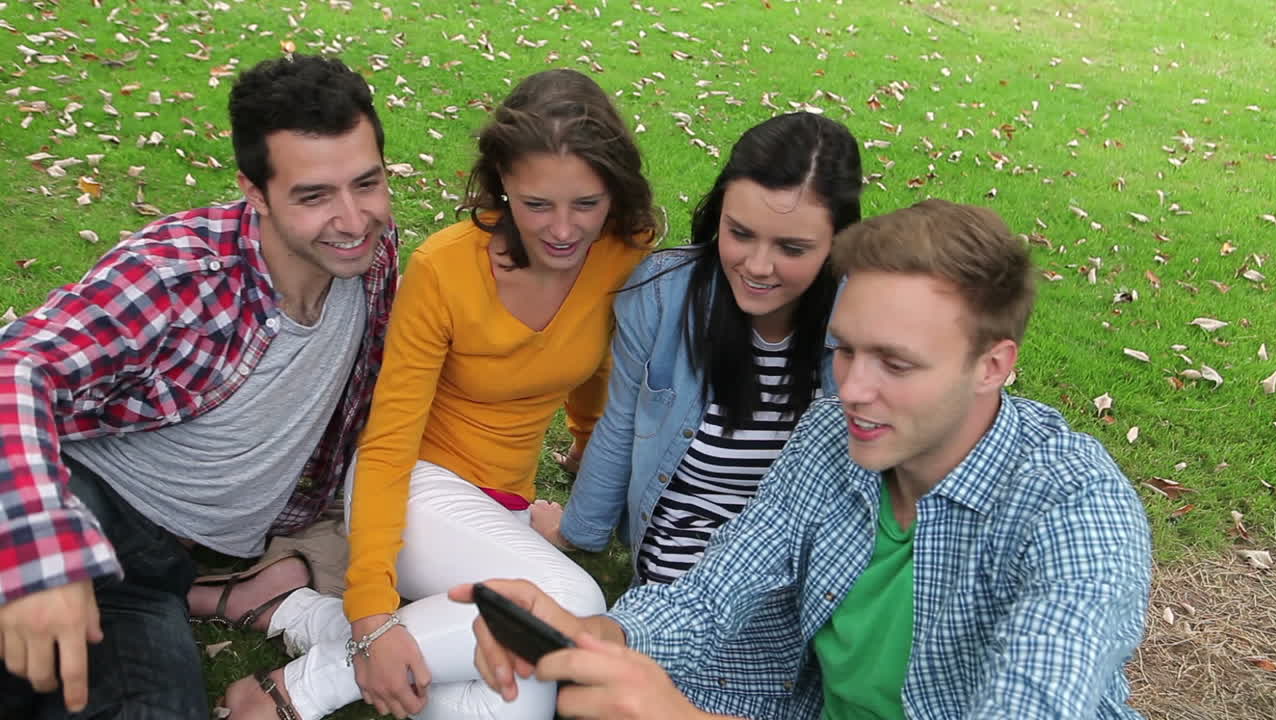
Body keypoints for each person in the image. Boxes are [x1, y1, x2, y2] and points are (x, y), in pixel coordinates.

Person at [455, 199, 1154, 719]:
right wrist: (594, 631)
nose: (852, 388)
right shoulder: (831, 437)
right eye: (846, 348)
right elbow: (713, 593)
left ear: (992, 365)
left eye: (897, 363)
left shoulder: (1075, 509)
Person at [223, 68, 659, 720]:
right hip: (413, 490)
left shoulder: (625, 254)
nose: (564, 230)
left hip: (500, 511)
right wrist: (372, 605)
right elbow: (389, 438)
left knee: (511, 698)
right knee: (570, 603)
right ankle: (299, 689)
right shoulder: (446, 267)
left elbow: (600, 360)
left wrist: (586, 447)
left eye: (587, 204)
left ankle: (308, 618)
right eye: (537, 204)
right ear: (503, 181)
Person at [0, 54, 398, 719]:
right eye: (314, 196)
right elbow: (16, 368)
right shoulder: (180, 272)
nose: (354, 219)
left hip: (153, 576)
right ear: (255, 191)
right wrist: (46, 555)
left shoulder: (371, 265)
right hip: (72, 500)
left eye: (368, 182)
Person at [532, 111, 863, 592]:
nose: (758, 266)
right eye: (741, 233)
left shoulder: (863, 318)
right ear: (718, 214)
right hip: (682, 556)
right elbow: (622, 423)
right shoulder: (664, 296)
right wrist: (575, 531)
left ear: (838, 243)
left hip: (803, 570)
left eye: (792, 248)